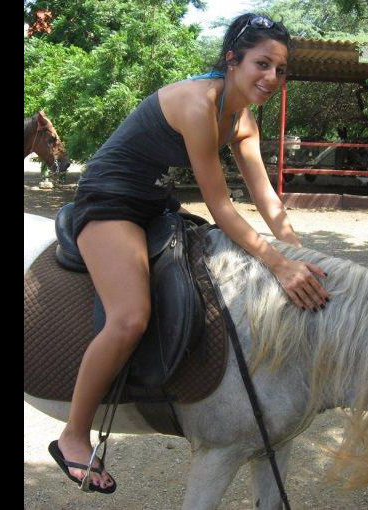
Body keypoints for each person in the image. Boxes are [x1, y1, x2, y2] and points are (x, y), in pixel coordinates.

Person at [50, 13, 330, 493]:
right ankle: (73, 435)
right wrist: (279, 264)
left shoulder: (243, 120)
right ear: (232, 59)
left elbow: (266, 199)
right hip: (110, 198)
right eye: (262, 64)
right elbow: (221, 206)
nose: (272, 78)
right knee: (130, 317)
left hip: (154, 202)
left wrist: (300, 255)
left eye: (281, 70)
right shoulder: (198, 103)